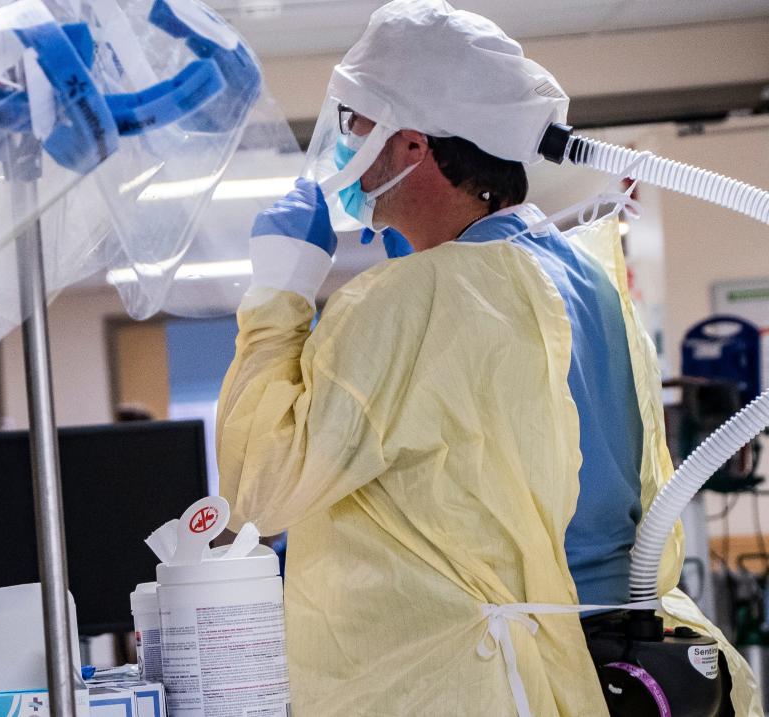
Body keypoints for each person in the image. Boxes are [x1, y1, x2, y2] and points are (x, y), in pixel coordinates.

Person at [215, 1, 758, 714]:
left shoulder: (412, 298)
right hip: (606, 667)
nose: (344, 148)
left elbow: (259, 490)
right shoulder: (588, 278)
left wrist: (275, 294)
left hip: (484, 683)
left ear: (411, 145)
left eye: (355, 125)